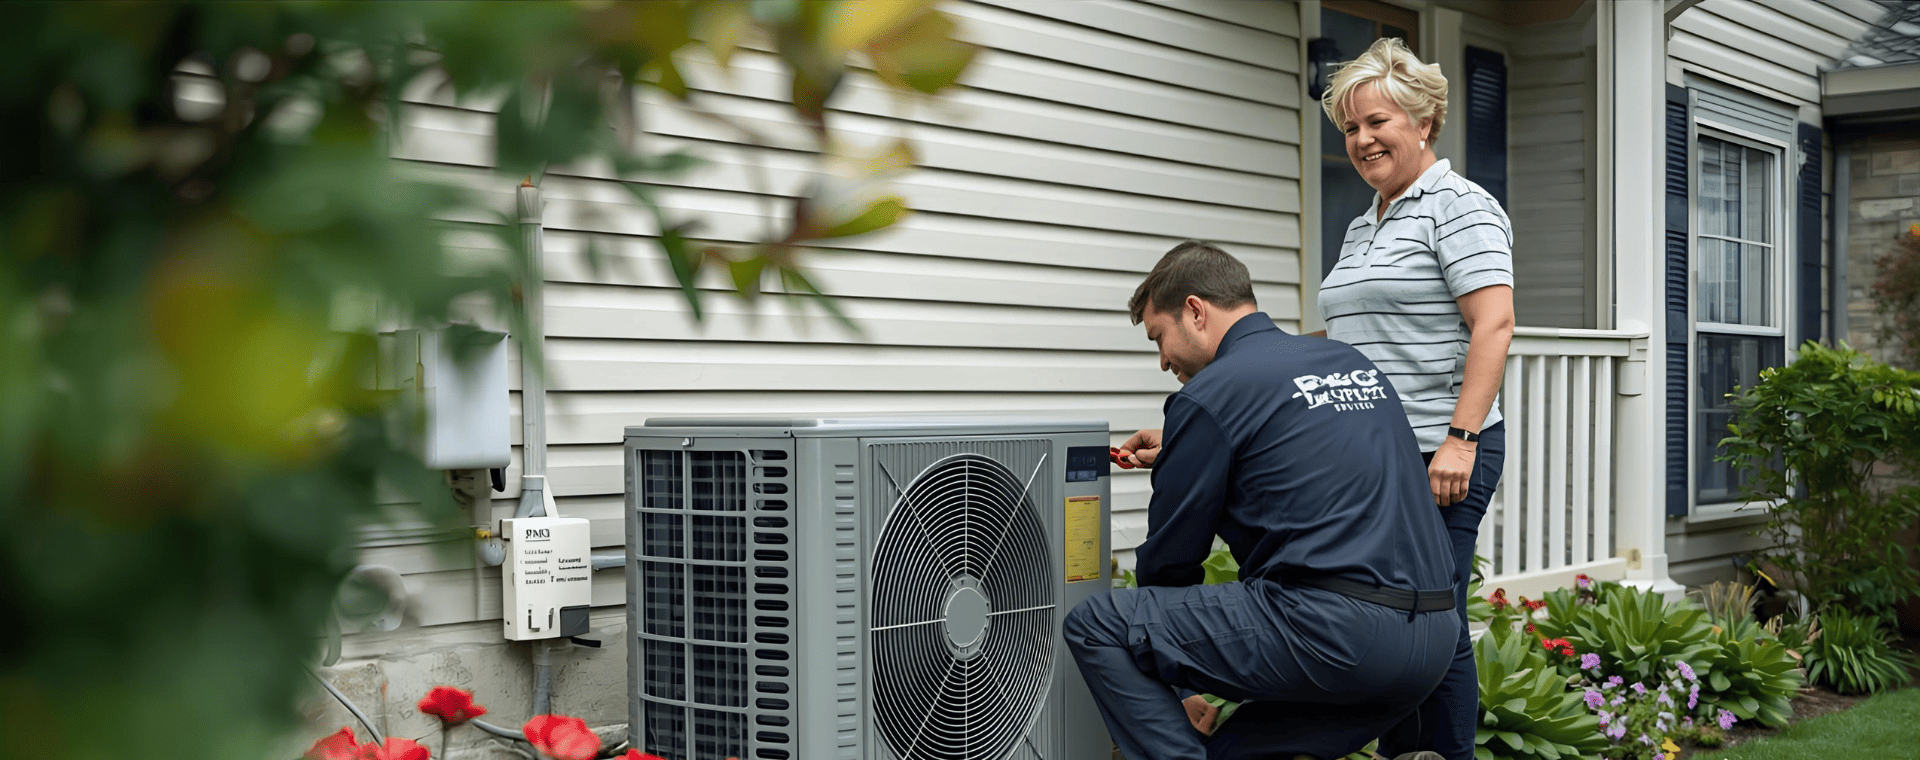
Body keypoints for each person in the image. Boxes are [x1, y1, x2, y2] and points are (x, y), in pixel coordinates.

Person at [1065, 241, 1455, 760]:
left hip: (1336, 633)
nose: (1163, 361)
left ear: (1195, 311)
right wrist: (1189, 447)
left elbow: (1170, 563)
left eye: (1159, 337)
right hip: (1430, 643)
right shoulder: (1347, 362)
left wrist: (1180, 687)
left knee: (1099, 625)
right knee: (1230, 752)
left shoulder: (1210, 395)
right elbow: (1296, 457)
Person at [1311, 37, 1517, 760]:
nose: (1362, 139)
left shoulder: (1458, 207)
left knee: (1430, 619)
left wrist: (1460, 439)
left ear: (1424, 122)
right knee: (1394, 621)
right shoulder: (1364, 222)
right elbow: (1342, 329)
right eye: (1350, 128)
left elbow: (1493, 322)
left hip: (1441, 449)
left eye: (1377, 122)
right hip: (1376, 457)